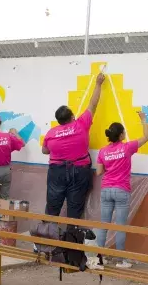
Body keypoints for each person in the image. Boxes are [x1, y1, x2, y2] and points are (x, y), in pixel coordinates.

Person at [42, 73, 105, 219]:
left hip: (56, 172)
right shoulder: (81, 124)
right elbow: (93, 104)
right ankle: (71, 238)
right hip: (79, 171)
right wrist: (98, 84)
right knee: (75, 209)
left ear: (58, 120)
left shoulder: (51, 133)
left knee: (52, 207)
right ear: (72, 117)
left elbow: (45, 150)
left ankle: (47, 237)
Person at [96, 112, 148, 268]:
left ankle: (100, 257)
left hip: (106, 190)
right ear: (120, 136)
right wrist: (144, 120)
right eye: (124, 133)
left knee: (104, 224)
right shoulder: (127, 147)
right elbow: (146, 137)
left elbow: (99, 172)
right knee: (120, 226)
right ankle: (121, 261)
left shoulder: (102, 151)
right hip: (121, 190)